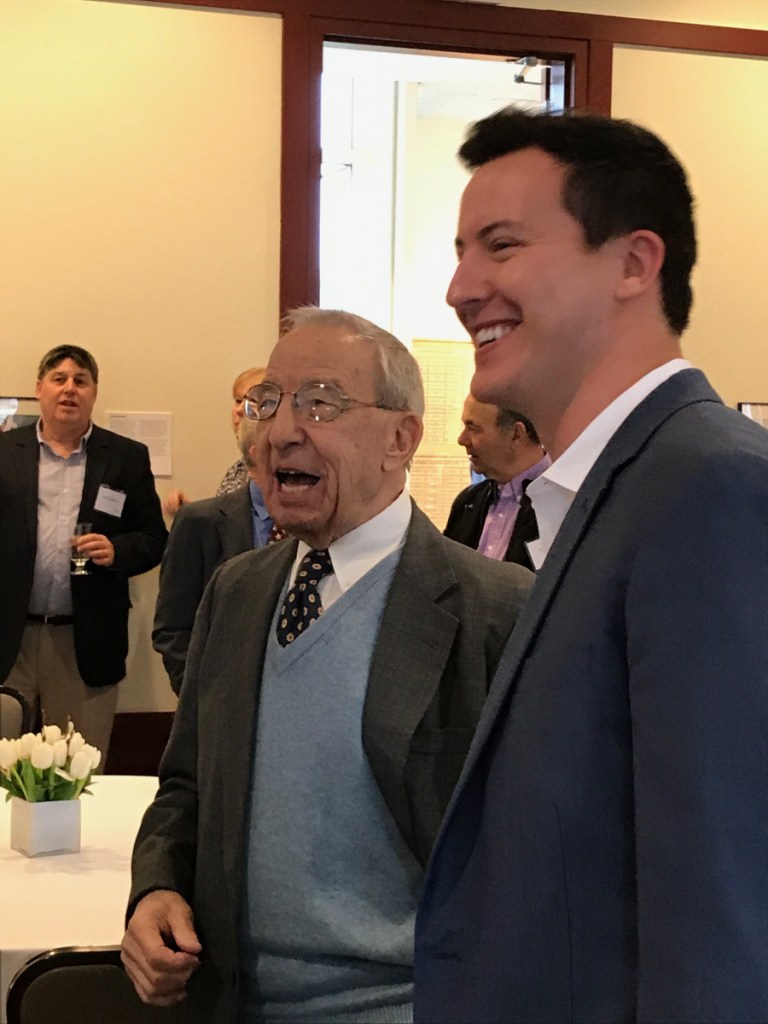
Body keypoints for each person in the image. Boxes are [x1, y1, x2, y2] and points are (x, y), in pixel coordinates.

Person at [414, 109, 768, 1023]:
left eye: (502, 245)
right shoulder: (609, 488)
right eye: (461, 251)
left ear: (632, 264)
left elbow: (720, 907)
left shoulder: (708, 486)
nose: (461, 286)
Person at [121, 308, 533, 1023]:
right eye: (269, 402)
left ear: (400, 439)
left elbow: (534, 862)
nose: (278, 430)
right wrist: (156, 888)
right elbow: (185, 784)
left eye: (320, 402)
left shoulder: (496, 611)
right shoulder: (237, 590)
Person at [0, 345, 167, 759]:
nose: (69, 389)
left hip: (85, 640)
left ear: (94, 392)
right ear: (40, 389)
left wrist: (118, 549)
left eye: (81, 380)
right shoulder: (5, 453)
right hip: (10, 638)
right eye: (59, 379)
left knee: (76, 769)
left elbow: (152, 539)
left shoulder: (127, 457)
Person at [152, 416, 282, 696]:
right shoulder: (199, 522)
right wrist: (201, 695)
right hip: (220, 697)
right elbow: (173, 627)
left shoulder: (323, 523)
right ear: (256, 456)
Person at [444, 394, 549, 568]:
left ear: (516, 434)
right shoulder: (467, 502)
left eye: (473, 427)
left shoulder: (565, 504)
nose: (462, 440)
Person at [162, 366, 265, 516]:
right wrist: (189, 512)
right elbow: (228, 522)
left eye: (253, 401)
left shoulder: (278, 469)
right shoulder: (237, 469)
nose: (240, 410)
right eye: (238, 401)